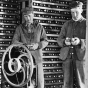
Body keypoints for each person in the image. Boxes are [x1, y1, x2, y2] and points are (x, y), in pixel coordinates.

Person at [12, 6, 48, 88]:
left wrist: (37, 45)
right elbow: (14, 42)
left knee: (39, 83)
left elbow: (45, 41)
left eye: (29, 16)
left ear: (33, 15)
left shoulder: (39, 27)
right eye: (25, 16)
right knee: (26, 83)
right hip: (24, 60)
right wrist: (24, 46)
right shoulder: (19, 28)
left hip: (37, 59)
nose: (27, 18)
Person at [57, 1, 86, 88]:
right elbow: (59, 40)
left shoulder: (86, 23)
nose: (74, 15)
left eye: (76, 12)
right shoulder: (66, 24)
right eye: (72, 12)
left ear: (81, 10)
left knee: (82, 84)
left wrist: (80, 41)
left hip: (81, 58)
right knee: (67, 84)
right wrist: (64, 42)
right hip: (67, 58)